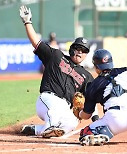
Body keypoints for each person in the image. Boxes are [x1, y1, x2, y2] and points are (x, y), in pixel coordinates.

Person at [19, 5, 95, 138]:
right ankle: (50, 126)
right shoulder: (56, 56)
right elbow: (36, 43)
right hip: (48, 99)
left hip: (65, 106)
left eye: (83, 51)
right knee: (53, 114)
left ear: (86, 55)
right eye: (77, 48)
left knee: (72, 122)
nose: (79, 52)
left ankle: (36, 129)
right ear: (71, 48)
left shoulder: (87, 76)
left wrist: (96, 121)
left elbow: (93, 98)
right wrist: (27, 22)